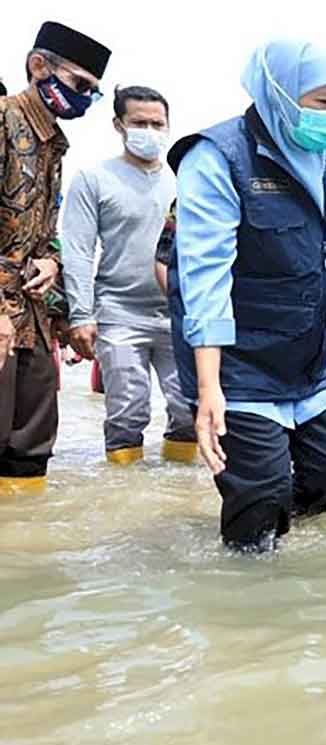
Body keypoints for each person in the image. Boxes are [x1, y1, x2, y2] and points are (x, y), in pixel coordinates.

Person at [166, 39, 326, 551]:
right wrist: (208, 388)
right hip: (236, 361)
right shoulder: (217, 158)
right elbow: (204, 276)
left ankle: (277, 537)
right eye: (322, 102)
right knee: (259, 491)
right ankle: (248, 589)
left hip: (309, 357)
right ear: (280, 94)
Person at [0, 22, 111, 495]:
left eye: (93, 91)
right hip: (2, 313)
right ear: (38, 66)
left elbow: (43, 233)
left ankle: (24, 560)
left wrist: (51, 262)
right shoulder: (2, 120)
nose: (84, 97)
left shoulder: (55, 145)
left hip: (32, 313)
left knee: (30, 448)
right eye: (79, 85)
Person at [61, 85, 196, 465]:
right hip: (118, 311)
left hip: (178, 313)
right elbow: (77, 249)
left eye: (158, 123)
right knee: (127, 411)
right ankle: (122, 489)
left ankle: (176, 497)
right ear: (119, 124)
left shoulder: (186, 179)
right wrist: (81, 315)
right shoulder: (94, 178)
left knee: (189, 407)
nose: (149, 131)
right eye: (140, 122)